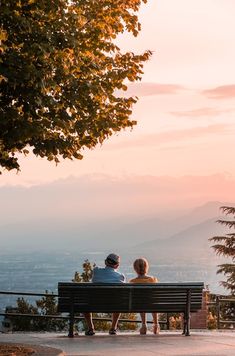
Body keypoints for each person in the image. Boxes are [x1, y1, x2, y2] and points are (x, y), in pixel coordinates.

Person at [84, 253, 126, 335]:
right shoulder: (120, 277)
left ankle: (91, 328)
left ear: (105, 262)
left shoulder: (96, 271)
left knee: (85, 303)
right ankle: (113, 328)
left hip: (94, 304)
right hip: (114, 305)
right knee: (118, 302)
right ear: (117, 265)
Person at [129, 257, 160, 335]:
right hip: (152, 303)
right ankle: (156, 324)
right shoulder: (153, 279)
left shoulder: (133, 282)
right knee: (152, 301)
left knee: (141, 301)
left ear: (135, 269)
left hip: (139, 304)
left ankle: (144, 325)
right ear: (146, 267)